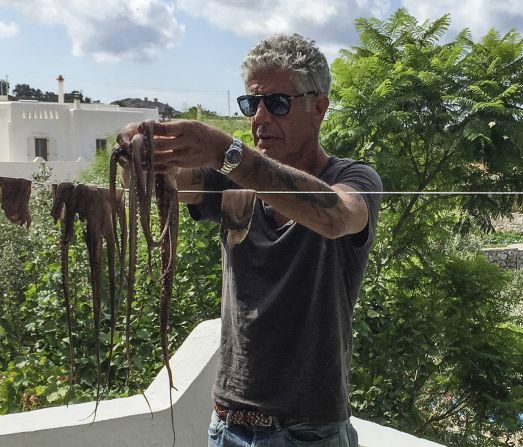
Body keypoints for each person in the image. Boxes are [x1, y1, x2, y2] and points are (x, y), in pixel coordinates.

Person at [117, 34, 382, 447]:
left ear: (319, 108)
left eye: (276, 103)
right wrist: (143, 150)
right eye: (250, 103)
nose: (259, 118)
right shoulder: (230, 182)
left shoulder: (353, 179)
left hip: (308, 432)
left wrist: (225, 149)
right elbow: (175, 184)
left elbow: (337, 216)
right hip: (227, 427)